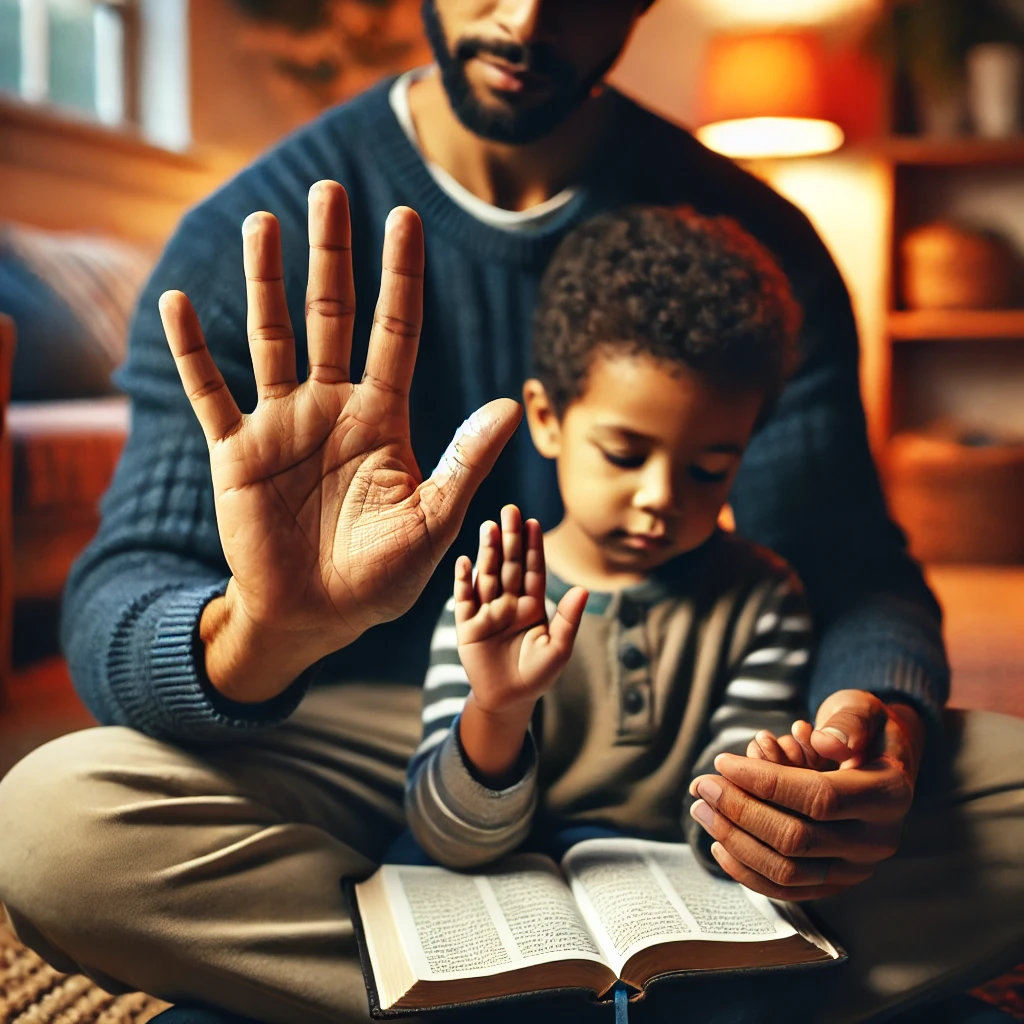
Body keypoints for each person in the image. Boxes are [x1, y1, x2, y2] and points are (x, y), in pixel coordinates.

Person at [0, 1, 1020, 1022]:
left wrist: (866, 731)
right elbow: (116, 604)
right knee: (50, 831)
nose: (526, 18)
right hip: (366, 729)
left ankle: (462, 995)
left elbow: (850, 567)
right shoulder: (252, 237)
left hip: (686, 736)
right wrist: (261, 629)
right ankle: (656, 998)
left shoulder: (757, 247)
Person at [403, 205, 822, 875]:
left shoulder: (762, 600)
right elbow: (449, 839)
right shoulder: (496, 599)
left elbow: (726, 843)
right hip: (513, 888)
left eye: (709, 470)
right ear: (547, 419)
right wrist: (497, 709)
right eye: (625, 455)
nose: (661, 496)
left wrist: (770, 793)